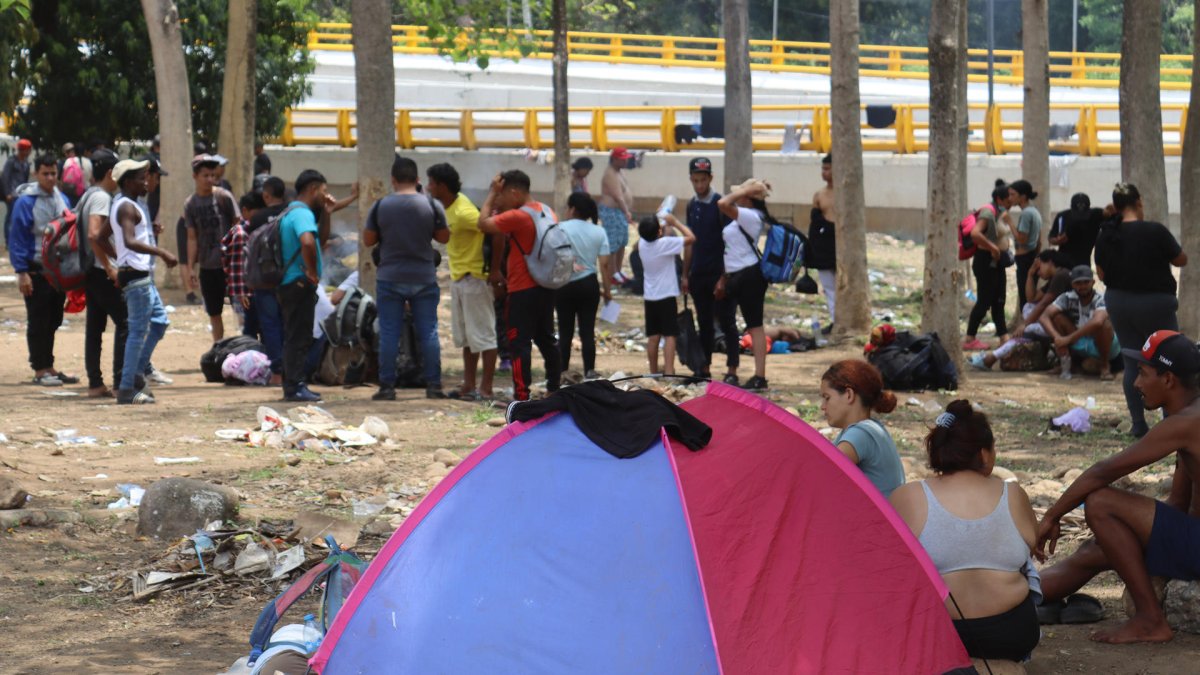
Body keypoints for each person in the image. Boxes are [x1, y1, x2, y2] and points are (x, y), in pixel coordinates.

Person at [1036, 331, 1200, 644]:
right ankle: (1010, 596)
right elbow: (1178, 502)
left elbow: (1104, 471)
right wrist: (1122, 536)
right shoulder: (1189, 418)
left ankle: (1151, 620)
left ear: (1168, 380)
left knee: (1100, 503)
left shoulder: (1187, 422)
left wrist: (1052, 515)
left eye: (1143, 373)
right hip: (1193, 535)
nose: (1136, 383)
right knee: (1097, 549)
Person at [890, 400, 1040, 662]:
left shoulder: (908, 497)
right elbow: (1033, 543)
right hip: (1011, 633)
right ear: (983, 453)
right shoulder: (1012, 493)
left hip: (936, 635)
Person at [1096, 183, 1188, 437]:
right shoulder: (1155, 231)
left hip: (1120, 302)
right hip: (1156, 303)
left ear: (1115, 206)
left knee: (1132, 361)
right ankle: (1172, 421)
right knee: (1169, 359)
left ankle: (1138, 423)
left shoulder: (1106, 235)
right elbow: (1181, 259)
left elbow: (1102, 274)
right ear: (1139, 203)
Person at [363, 156, 449, 401]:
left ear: (393, 180)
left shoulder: (381, 206)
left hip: (390, 277)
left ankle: (387, 387)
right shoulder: (431, 205)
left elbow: (368, 240)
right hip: (423, 276)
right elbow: (444, 237)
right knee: (429, 332)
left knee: (390, 332)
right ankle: (433, 385)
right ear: (417, 179)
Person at [477, 170, 562, 402]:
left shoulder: (519, 216)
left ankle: (521, 396)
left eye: (502, 195)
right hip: (545, 284)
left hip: (522, 288)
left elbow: (483, 224)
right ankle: (555, 387)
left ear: (514, 193)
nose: (499, 200)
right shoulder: (547, 210)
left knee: (518, 342)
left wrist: (491, 193)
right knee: (546, 338)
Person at [111, 160, 178, 404]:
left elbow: (101, 236)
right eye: (141, 178)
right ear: (128, 182)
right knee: (138, 332)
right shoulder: (127, 207)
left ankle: (136, 373)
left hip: (139, 274)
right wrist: (161, 252)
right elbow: (128, 240)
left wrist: (120, 258)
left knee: (159, 322)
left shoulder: (128, 205)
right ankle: (127, 388)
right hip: (137, 276)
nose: (146, 182)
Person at [8, 153, 78, 386]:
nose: (49, 178)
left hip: (57, 270)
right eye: (45, 173)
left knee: (54, 318)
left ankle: (49, 366)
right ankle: (39, 369)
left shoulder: (63, 199)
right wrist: (21, 271)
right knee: (38, 320)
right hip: (35, 269)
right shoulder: (25, 202)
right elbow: (17, 237)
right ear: (36, 174)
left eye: (53, 173)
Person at [427, 163, 496, 400]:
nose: (428, 187)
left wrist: (494, 271)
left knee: (484, 336)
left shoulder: (464, 212)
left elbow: (494, 232)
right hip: (459, 279)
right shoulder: (447, 208)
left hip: (475, 278)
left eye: (432, 183)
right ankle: (468, 385)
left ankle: (485, 388)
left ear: (442, 186)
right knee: (467, 337)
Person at [969, 249, 1072, 371]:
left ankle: (991, 357)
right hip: (1053, 323)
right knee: (1028, 309)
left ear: (1049, 262)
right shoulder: (1055, 277)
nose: (1038, 273)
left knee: (1026, 330)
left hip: (1065, 324)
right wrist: (1030, 274)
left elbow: (1043, 304)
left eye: (1039, 268)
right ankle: (991, 357)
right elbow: (1032, 298)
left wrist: (1025, 324)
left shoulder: (1061, 275)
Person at [715, 179, 773, 391]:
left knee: (755, 326)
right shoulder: (743, 216)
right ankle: (735, 370)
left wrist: (745, 190)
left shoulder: (751, 216)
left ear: (748, 197)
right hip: (734, 275)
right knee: (729, 322)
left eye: (741, 195)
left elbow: (722, 203)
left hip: (749, 274)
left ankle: (760, 375)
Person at [277, 169, 330, 403]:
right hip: (298, 283)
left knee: (295, 335)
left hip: (290, 283)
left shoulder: (292, 212)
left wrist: (327, 212)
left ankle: (293, 384)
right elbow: (307, 242)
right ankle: (295, 386)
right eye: (324, 191)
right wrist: (310, 271)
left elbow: (321, 240)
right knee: (299, 336)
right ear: (313, 189)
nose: (325, 196)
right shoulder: (302, 213)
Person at [819, 359, 904, 496]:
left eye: (827, 398)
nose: (822, 406)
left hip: (877, 518)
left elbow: (821, 476)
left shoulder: (860, 434)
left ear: (848, 395)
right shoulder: (872, 428)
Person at [79, 149, 126, 398]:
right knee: (126, 322)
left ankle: (95, 383)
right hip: (101, 271)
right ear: (110, 173)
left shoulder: (88, 195)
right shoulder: (101, 198)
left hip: (90, 270)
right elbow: (94, 234)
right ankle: (120, 382)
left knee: (95, 328)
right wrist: (110, 267)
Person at [184, 154, 241, 343]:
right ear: (194, 176)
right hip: (208, 266)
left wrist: (238, 257)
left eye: (212, 175)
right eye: (205, 175)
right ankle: (219, 348)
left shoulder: (223, 197)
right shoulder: (191, 204)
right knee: (214, 312)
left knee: (240, 307)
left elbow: (238, 225)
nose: (209, 179)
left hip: (230, 265)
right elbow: (192, 237)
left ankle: (247, 345)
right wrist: (192, 267)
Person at [555, 192, 611, 379]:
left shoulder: (560, 228)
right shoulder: (599, 231)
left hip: (564, 284)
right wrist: (608, 291)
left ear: (572, 209)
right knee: (587, 330)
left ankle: (562, 371)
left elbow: (553, 255)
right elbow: (604, 264)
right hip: (589, 284)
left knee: (565, 331)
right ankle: (589, 371)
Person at [637, 214, 694, 376]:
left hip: (650, 296)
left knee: (653, 336)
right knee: (670, 334)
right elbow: (691, 238)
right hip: (667, 295)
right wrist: (675, 222)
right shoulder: (666, 244)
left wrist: (660, 223)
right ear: (659, 232)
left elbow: (651, 231)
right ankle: (669, 371)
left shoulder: (642, 244)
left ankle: (653, 372)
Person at [1039, 265, 1118, 380]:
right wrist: (1057, 338)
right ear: (1072, 285)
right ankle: (1067, 363)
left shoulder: (1101, 298)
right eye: (1078, 283)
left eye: (1086, 282)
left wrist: (1068, 339)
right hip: (1079, 340)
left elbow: (1097, 322)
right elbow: (1043, 316)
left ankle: (1105, 365)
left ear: (1093, 282)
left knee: (1104, 325)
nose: (1082, 286)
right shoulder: (1067, 297)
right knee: (1057, 317)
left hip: (1103, 344)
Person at [963, 180, 1012, 352]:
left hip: (996, 262)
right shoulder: (988, 212)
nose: (1011, 204)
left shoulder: (1000, 212)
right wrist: (993, 247)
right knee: (984, 301)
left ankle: (1004, 337)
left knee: (999, 299)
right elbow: (975, 234)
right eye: (1008, 200)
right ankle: (969, 338)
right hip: (985, 262)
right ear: (1000, 199)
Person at [806, 154, 836, 334]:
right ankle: (834, 321)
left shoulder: (846, 193)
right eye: (823, 169)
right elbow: (815, 226)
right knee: (829, 287)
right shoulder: (819, 195)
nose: (824, 173)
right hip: (824, 247)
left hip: (841, 244)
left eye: (828, 168)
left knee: (843, 287)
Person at [222, 193, 258, 332]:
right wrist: (242, 293)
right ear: (245, 211)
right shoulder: (242, 233)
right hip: (242, 291)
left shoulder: (241, 230)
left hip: (245, 290)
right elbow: (237, 266)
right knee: (245, 329)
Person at [598, 147, 634, 284]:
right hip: (611, 212)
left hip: (619, 212)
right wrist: (627, 212)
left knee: (622, 242)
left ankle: (617, 270)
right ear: (615, 159)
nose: (626, 162)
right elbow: (618, 196)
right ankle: (612, 273)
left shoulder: (620, 171)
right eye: (623, 159)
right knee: (613, 243)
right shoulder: (610, 174)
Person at [1008, 179, 1043, 310]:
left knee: (1025, 296)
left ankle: (1026, 326)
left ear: (1022, 196)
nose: (1010, 198)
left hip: (1025, 259)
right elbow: (1039, 240)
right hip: (1032, 256)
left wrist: (1010, 222)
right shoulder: (1034, 211)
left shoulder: (1026, 213)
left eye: (1013, 194)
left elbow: (1022, 239)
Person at [1049, 192, 1104, 268]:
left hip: (1084, 262)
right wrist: (1058, 240)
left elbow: (1112, 212)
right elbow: (1051, 238)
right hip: (1064, 263)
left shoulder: (1095, 216)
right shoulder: (1062, 217)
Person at [2, 138, 32, 244]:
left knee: (19, 217)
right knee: (10, 217)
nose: (29, 152)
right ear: (22, 150)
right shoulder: (11, 161)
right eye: (28, 149)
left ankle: (17, 239)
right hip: (12, 195)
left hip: (21, 195)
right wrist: (7, 194)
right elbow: (5, 177)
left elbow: (25, 180)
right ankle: (8, 241)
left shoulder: (26, 163)